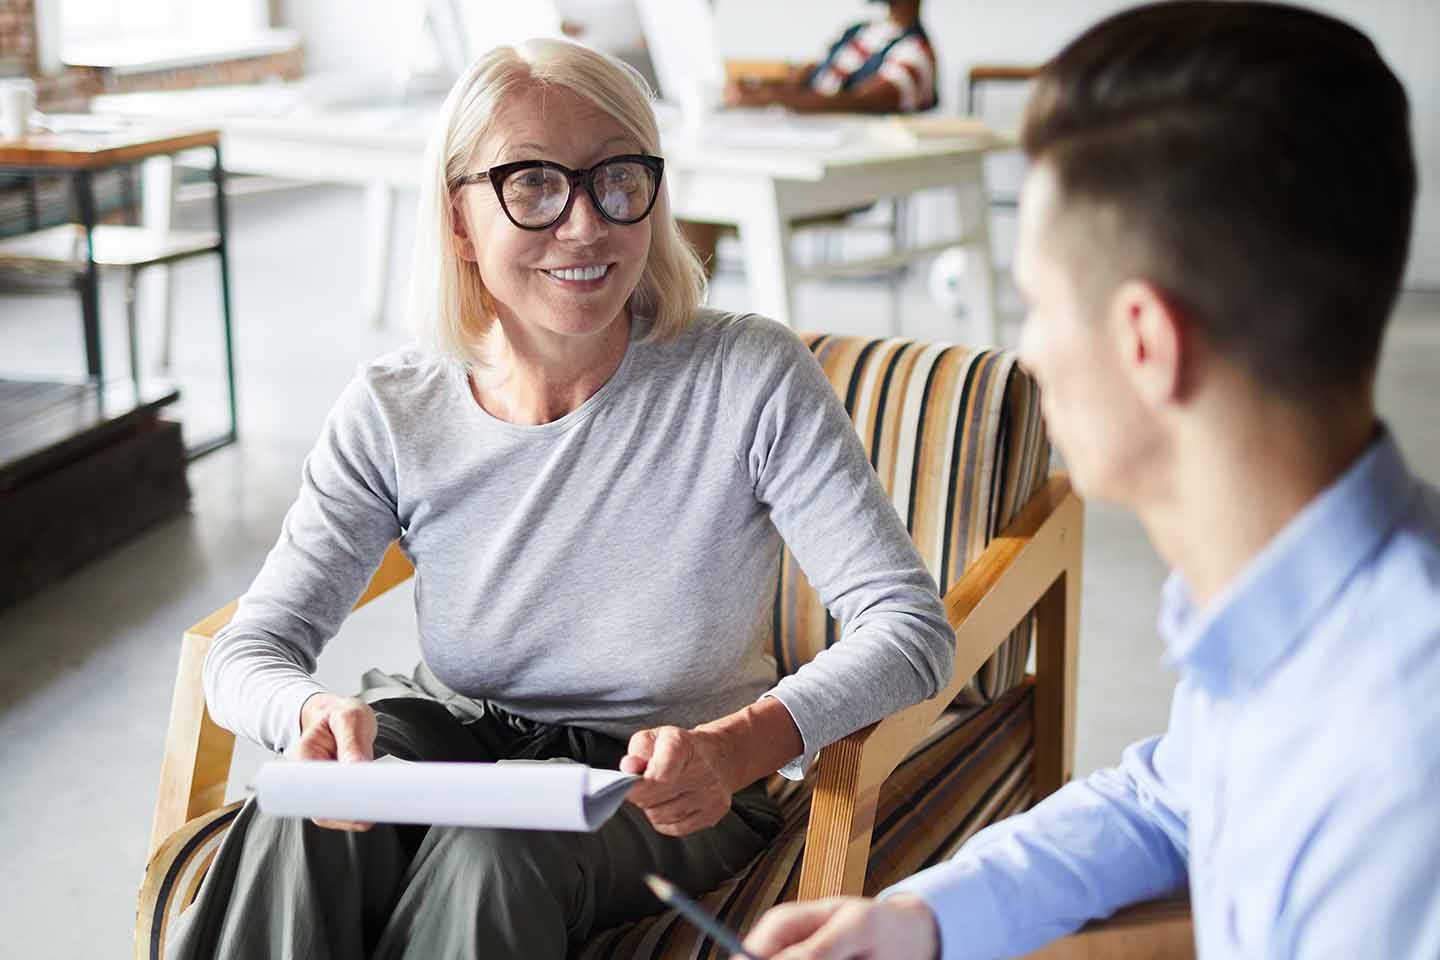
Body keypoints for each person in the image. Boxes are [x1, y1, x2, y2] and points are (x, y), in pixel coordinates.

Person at [165, 38, 955, 959]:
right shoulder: (394, 406)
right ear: (458, 218)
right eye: (533, 185)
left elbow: (908, 628)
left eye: (619, 179)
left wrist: (740, 745)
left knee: (494, 851)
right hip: (449, 734)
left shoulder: (749, 375)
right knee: (305, 813)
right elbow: (250, 650)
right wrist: (307, 716)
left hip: (661, 784)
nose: (586, 227)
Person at [745, 2, 1440, 958]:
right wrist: (920, 922)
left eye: (1036, 304)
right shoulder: (1292, 605)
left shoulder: (1400, 761)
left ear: (1144, 342)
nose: (1023, 354)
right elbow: (1170, 803)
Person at [685, 0, 937, 275]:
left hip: (836, 182)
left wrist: (769, 98)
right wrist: (757, 88)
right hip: (791, 159)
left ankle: (685, 312)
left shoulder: (915, 56)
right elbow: (803, 79)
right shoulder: (859, 33)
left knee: (700, 205)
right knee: (689, 202)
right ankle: (681, 312)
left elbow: (857, 102)